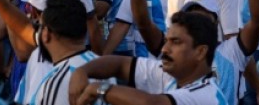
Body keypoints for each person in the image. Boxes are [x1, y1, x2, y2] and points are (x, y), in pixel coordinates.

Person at [69, 11, 226, 105]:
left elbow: (150, 103)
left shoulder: (206, 95)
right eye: (166, 41)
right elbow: (120, 64)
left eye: (176, 42)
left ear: (200, 52)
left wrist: (99, 89)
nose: (165, 49)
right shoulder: (171, 75)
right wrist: (82, 72)